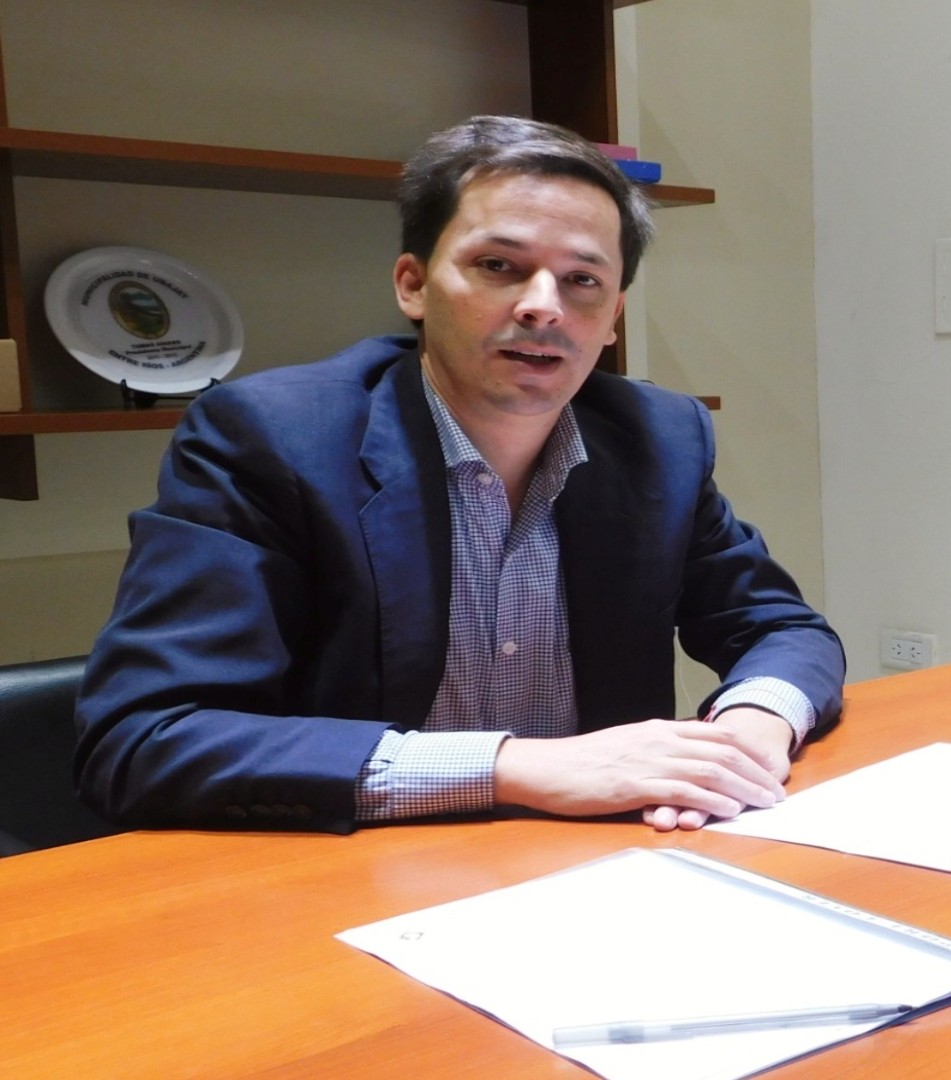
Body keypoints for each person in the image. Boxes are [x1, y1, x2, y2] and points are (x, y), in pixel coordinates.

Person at [76, 116, 844, 833]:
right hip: (353, 874)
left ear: (613, 315)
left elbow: (779, 628)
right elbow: (145, 737)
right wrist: (516, 769)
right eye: (499, 266)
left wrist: (753, 724)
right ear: (413, 284)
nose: (543, 306)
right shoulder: (273, 437)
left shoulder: (659, 439)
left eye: (582, 280)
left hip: (599, 865)